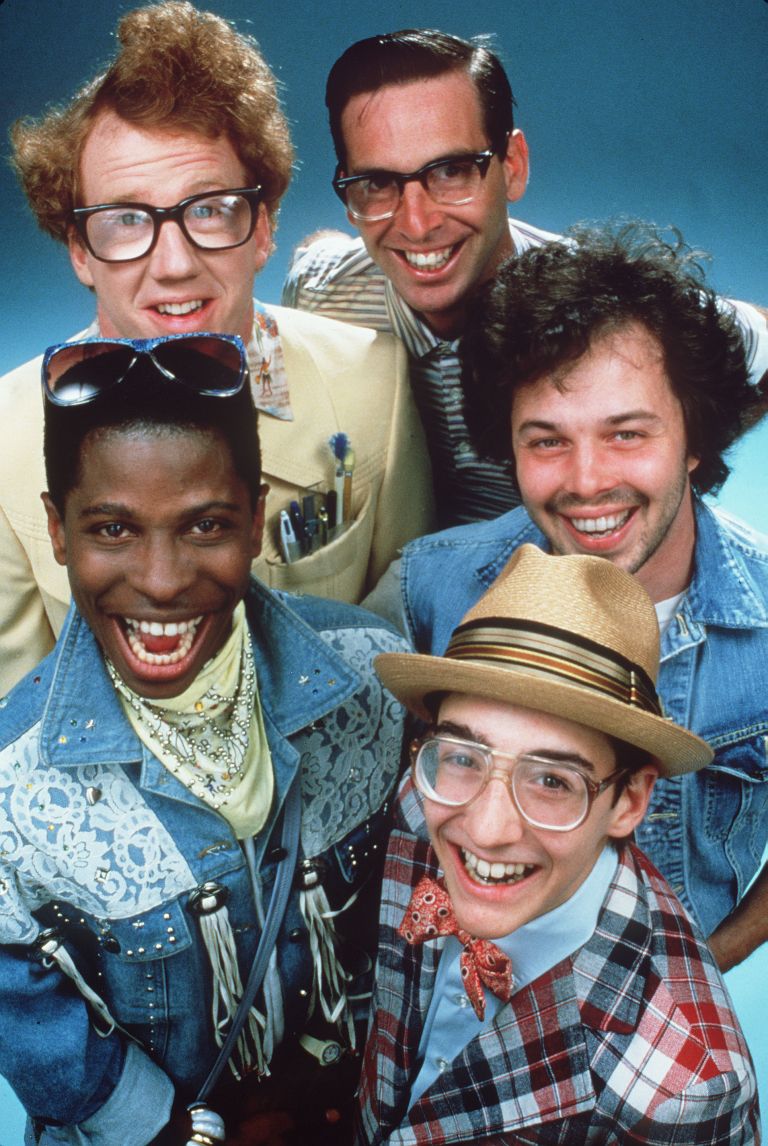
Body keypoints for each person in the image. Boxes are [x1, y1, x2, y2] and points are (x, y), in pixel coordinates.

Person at [0, 333, 409, 1146]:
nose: (161, 579)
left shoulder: (373, 680)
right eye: (112, 529)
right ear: (56, 529)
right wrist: (162, 1127)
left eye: (206, 525)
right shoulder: (12, 780)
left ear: (256, 519)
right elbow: (16, 996)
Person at [0, 1, 434, 697]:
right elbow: (15, 717)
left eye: (207, 210)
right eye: (125, 219)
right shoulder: (6, 436)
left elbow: (408, 642)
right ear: (79, 250)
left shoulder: (372, 382)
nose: (174, 264)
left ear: (262, 228)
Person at [400, 223, 768, 975]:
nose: (588, 481)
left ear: (696, 440)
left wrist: (698, 969)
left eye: (627, 434)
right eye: (547, 441)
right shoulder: (433, 588)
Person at [283, 28, 768, 528]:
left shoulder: (605, 303)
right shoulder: (322, 292)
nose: (417, 224)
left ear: (513, 166)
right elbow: (311, 254)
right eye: (377, 183)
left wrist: (689, 444)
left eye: (451, 172)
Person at [358, 544, 759, 1144]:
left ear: (628, 801)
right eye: (464, 756)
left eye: (551, 781)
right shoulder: (422, 808)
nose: (485, 830)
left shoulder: (683, 1093)